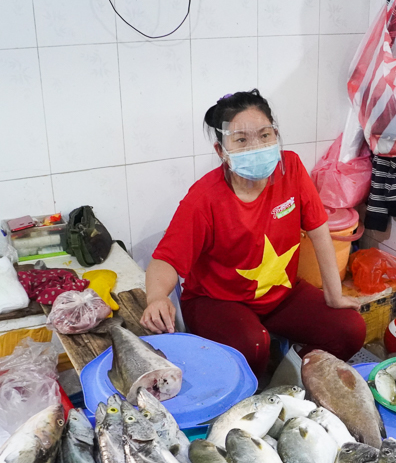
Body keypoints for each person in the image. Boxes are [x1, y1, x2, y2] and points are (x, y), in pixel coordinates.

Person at [142, 89, 366, 377]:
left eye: (264, 135)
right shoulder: (205, 198)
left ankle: (296, 374)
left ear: (276, 135)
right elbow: (166, 260)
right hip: (217, 302)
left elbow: (319, 230)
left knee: (349, 329)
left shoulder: (291, 168)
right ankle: (252, 393)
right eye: (241, 140)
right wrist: (157, 298)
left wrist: (334, 295)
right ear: (222, 152)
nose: (256, 147)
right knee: (253, 345)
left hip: (281, 295)